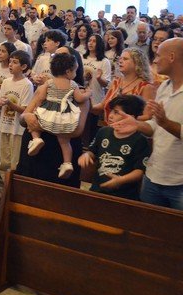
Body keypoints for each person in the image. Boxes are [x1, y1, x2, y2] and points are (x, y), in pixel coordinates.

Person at [111, 38, 183, 210]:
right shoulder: (164, 87)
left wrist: (165, 123)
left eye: (158, 56)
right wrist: (136, 124)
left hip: (179, 181)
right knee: (148, 224)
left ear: (172, 57)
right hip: (154, 175)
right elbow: (155, 127)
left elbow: (163, 124)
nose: (155, 60)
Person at [26, 53, 92, 178]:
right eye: (75, 70)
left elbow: (41, 97)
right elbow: (79, 98)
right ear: (68, 71)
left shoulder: (49, 83)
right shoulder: (73, 85)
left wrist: (38, 109)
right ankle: (67, 163)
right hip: (63, 115)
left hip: (48, 112)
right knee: (64, 141)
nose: (75, 73)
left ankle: (36, 139)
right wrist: (88, 93)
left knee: (34, 123)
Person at [78, 95, 151, 201]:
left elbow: (139, 171)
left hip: (124, 196)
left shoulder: (139, 140)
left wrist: (121, 180)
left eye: (116, 112)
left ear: (131, 117)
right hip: (98, 190)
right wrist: (86, 155)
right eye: (111, 111)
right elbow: (92, 151)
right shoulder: (103, 132)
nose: (110, 115)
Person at [0, 50, 34, 178]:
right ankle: (5, 184)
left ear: (24, 66)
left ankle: (11, 186)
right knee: (3, 162)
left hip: (17, 129)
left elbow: (25, 110)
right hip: (4, 126)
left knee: (15, 163)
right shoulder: (6, 82)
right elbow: (0, 105)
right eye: (10, 61)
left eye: (15, 62)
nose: (11, 64)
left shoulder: (27, 85)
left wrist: (10, 103)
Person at [93, 47, 155, 124]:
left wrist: (124, 119)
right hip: (110, 128)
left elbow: (148, 116)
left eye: (125, 59)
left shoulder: (145, 87)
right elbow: (102, 106)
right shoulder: (116, 82)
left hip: (131, 129)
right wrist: (87, 104)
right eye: (120, 58)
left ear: (137, 63)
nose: (120, 61)